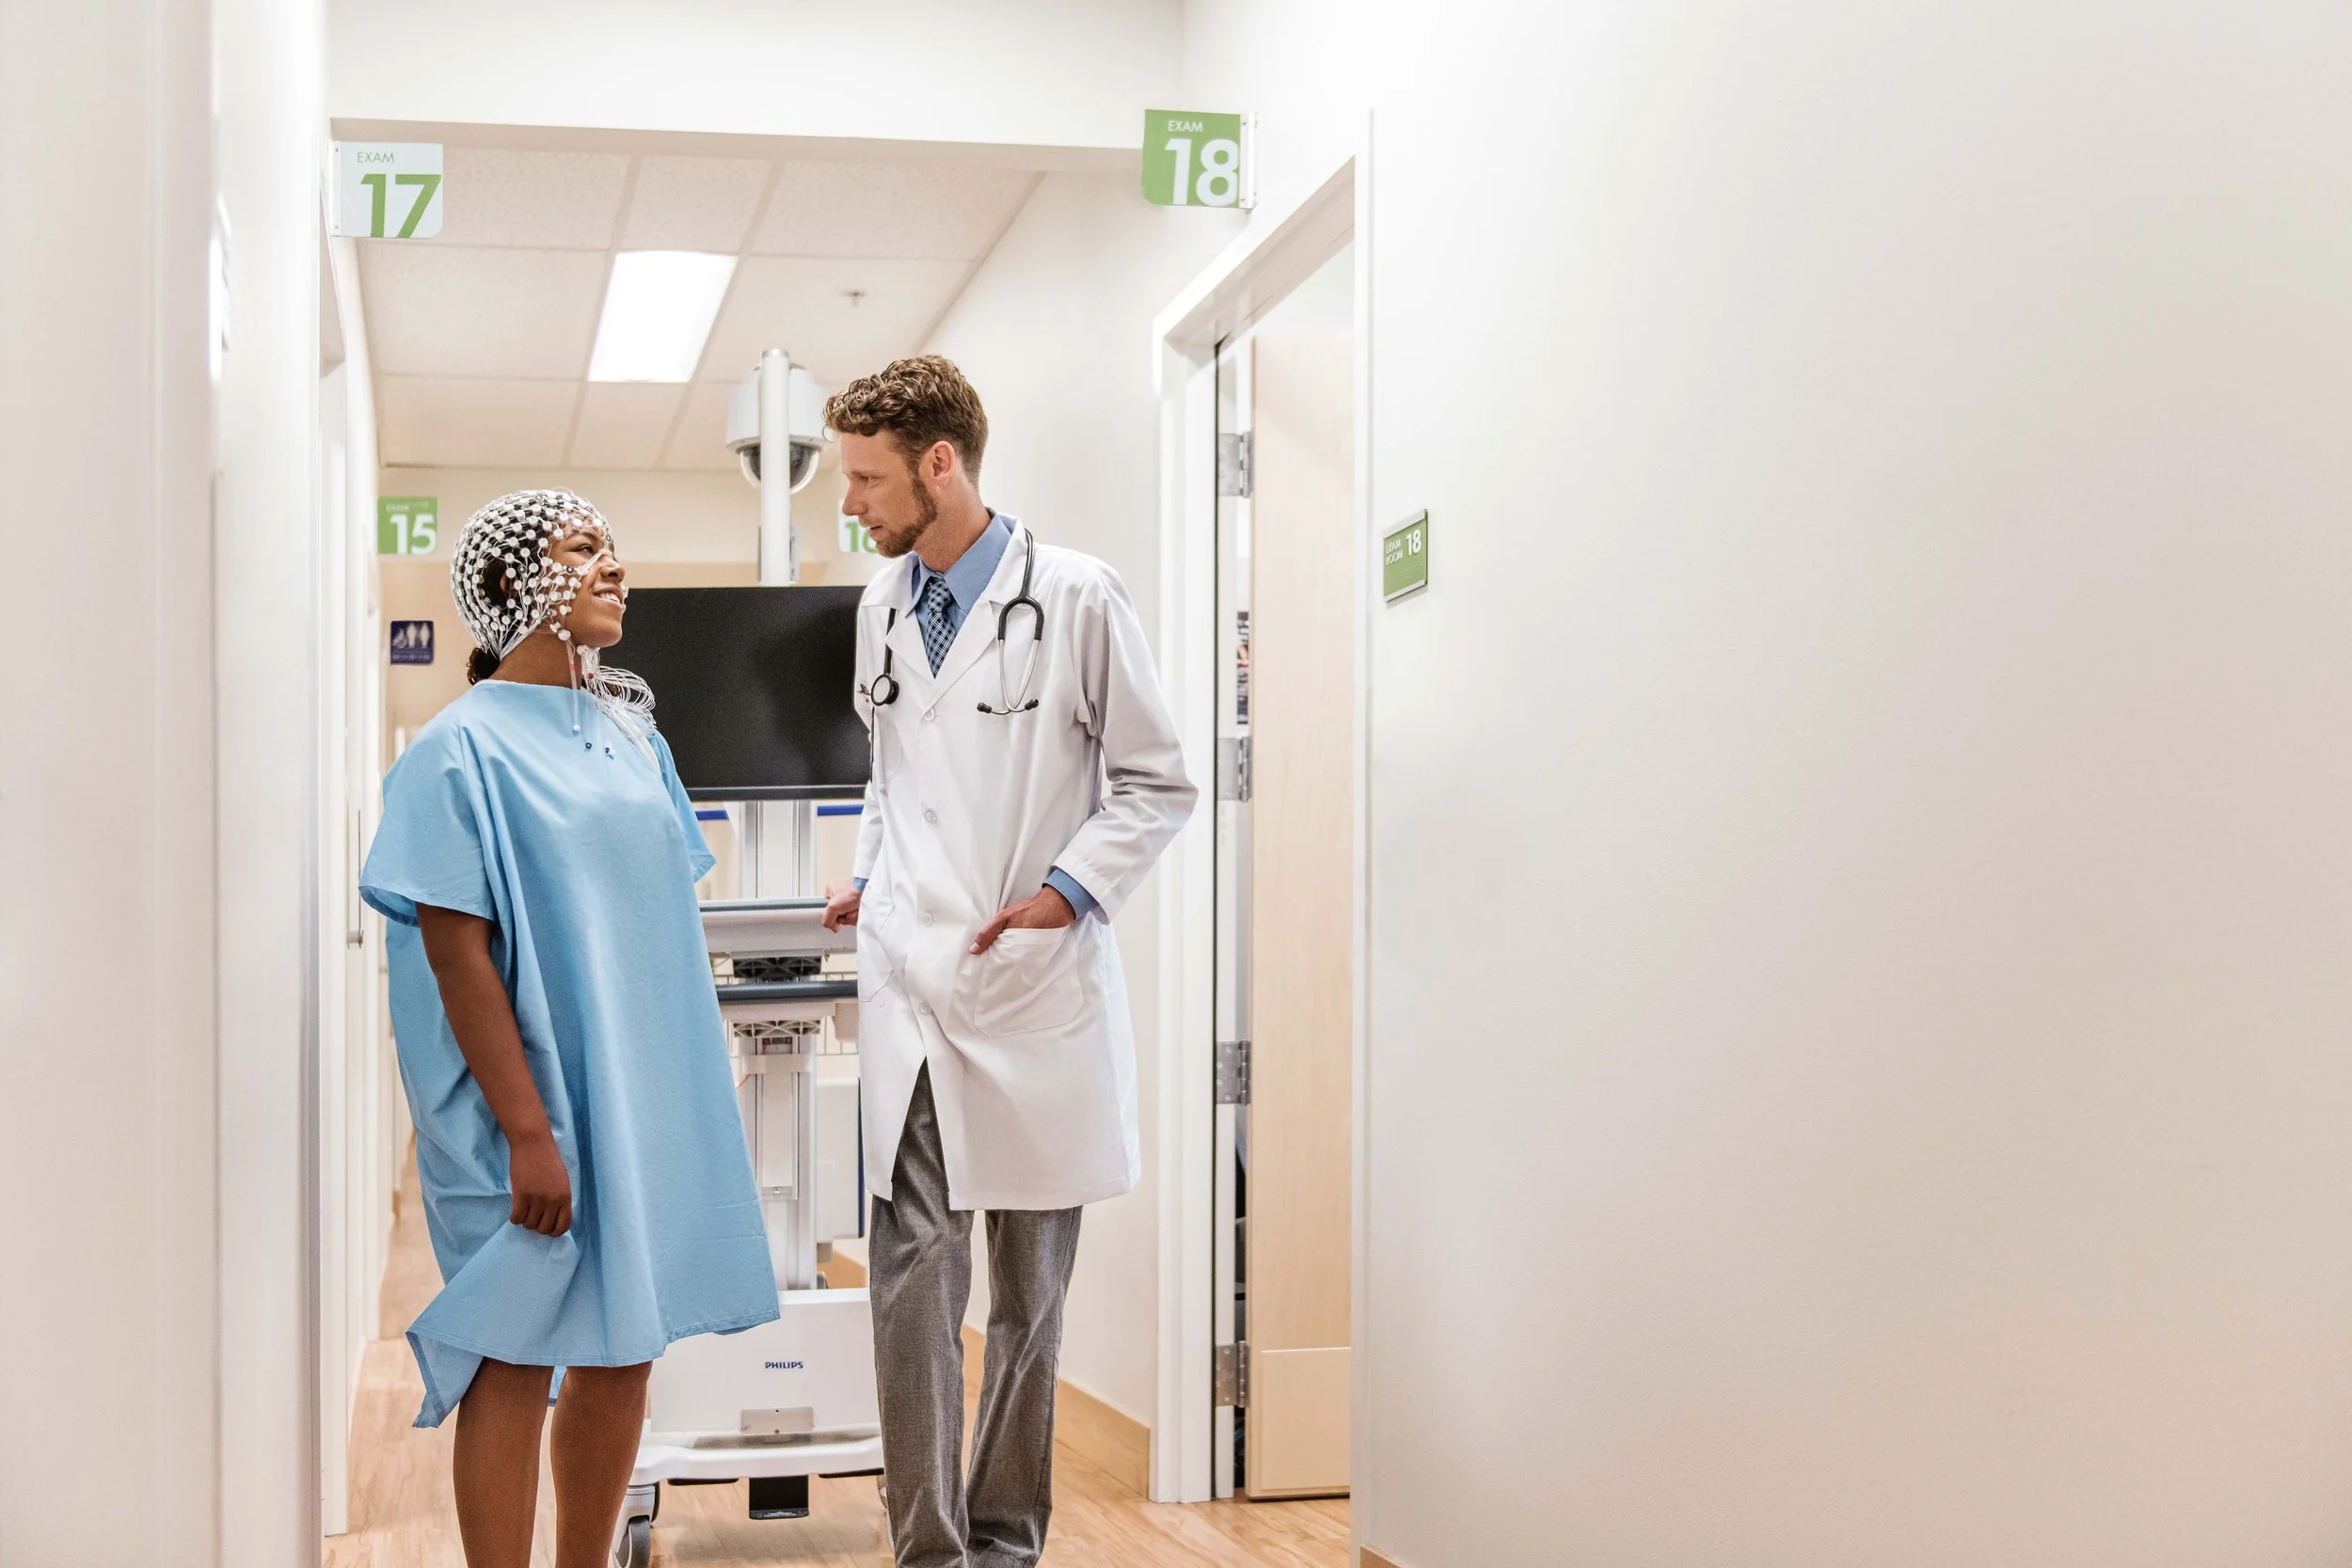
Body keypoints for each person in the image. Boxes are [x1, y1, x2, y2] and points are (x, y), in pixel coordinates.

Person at [819, 356, 1197, 1566]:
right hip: (910, 989)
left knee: (1029, 1302)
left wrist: (1063, 893)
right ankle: (928, 1549)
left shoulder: (1078, 596)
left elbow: (1156, 779)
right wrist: (871, 874)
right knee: (910, 1287)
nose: (850, 504)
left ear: (942, 464)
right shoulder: (881, 604)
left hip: (1025, 983)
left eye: (867, 478)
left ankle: (1004, 1540)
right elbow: (892, 780)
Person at [359, 490, 778, 1568]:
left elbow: (648, 919)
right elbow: (456, 954)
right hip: (523, 1105)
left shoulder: (634, 734)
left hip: (635, 1088)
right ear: (508, 586)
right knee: (512, 1350)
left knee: (624, 1345)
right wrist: (530, 1132)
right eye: (585, 547)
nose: (615, 566)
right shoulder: (454, 754)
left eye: (613, 546)